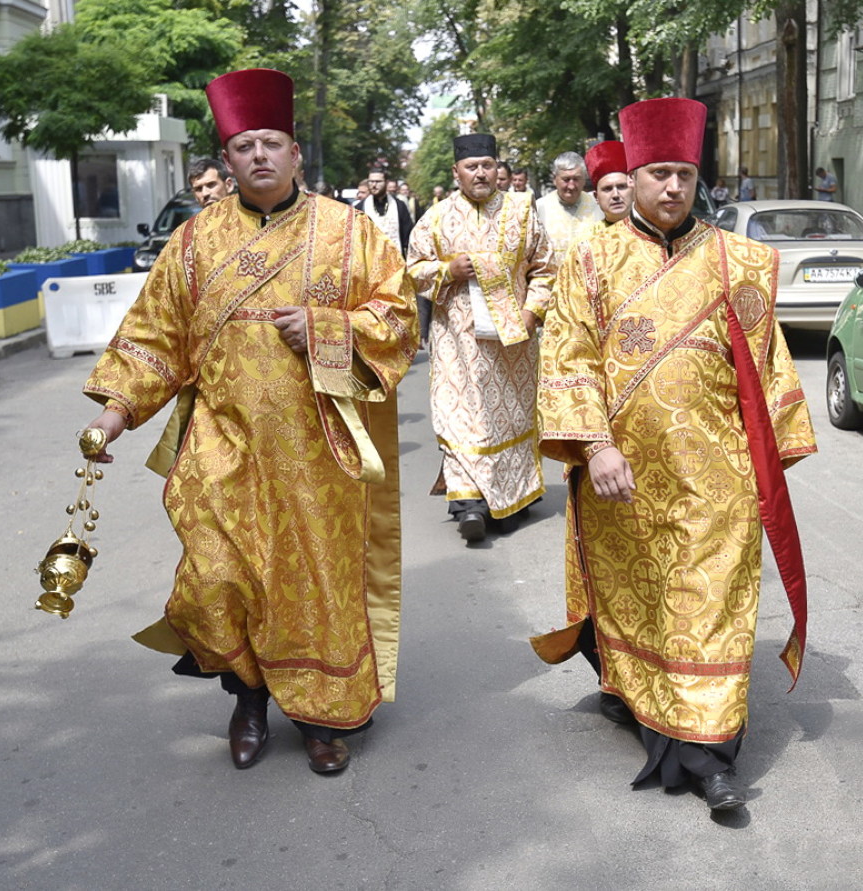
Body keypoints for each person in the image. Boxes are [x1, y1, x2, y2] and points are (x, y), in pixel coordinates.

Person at [79, 68, 418, 776]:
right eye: (243, 145)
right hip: (220, 445)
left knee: (312, 582)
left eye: (271, 142)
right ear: (226, 160)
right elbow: (155, 336)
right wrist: (115, 413)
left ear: (296, 153)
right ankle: (248, 699)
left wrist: (330, 327)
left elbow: (398, 317)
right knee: (218, 577)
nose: (258, 155)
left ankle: (321, 716)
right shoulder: (193, 244)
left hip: (316, 449)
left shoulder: (351, 234)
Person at [531, 97, 817, 814]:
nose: (672, 188)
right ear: (635, 171)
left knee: (713, 608)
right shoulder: (590, 257)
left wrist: (769, 464)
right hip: (621, 476)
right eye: (659, 173)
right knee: (641, 605)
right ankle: (645, 704)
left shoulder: (737, 261)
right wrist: (594, 446)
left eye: (684, 175)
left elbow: (770, 365)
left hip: (716, 479)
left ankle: (712, 757)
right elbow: (566, 354)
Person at [407, 133, 556, 543]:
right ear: (456, 173)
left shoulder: (523, 213)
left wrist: (532, 314)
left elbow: (545, 270)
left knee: (506, 419)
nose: (480, 173)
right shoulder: (435, 219)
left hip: (513, 346)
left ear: (498, 170)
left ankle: (513, 499)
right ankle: (469, 505)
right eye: (471, 167)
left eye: (487, 165)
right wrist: (446, 271)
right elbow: (411, 270)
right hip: (457, 344)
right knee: (463, 419)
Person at [535, 151, 602, 258]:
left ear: (584, 180)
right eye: (566, 180)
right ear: (554, 179)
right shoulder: (539, 208)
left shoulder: (598, 205)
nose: (571, 186)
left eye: (576, 179)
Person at [361, 168, 414, 255]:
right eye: (371, 181)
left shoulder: (399, 206)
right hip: (370, 260)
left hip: (396, 259)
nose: (374, 185)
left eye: (378, 182)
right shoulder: (360, 207)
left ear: (386, 182)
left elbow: (408, 237)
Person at [584, 140, 630, 226]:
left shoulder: (655, 234)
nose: (615, 195)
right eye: (607, 189)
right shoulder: (588, 239)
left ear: (634, 189)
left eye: (621, 186)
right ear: (596, 197)